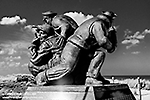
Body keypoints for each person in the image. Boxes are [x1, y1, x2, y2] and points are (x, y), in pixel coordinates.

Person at [35, 11, 117, 86]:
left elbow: (95, 43)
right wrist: (111, 46)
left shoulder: (95, 21)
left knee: (99, 54)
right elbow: (102, 41)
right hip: (74, 45)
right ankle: (43, 76)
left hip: (84, 48)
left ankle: (91, 77)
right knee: (67, 67)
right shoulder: (99, 23)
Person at [28, 11, 78, 77]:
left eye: (46, 19)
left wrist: (62, 36)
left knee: (31, 66)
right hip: (74, 42)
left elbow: (65, 25)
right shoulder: (56, 29)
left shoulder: (55, 20)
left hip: (57, 62)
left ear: (50, 17)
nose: (44, 20)